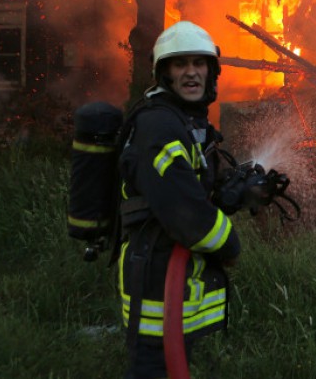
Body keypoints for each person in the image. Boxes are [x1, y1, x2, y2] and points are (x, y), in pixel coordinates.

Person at [118, 21, 240, 379]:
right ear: (164, 73)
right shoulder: (161, 128)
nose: (191, 73)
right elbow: (187, 216)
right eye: (180, 64)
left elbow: (188, 184)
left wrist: (229, 192)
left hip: (173, 281)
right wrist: (229, 244)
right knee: (154, 369)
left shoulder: (183, 121)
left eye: (198, 63)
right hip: (157, 282)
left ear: (211, 71)